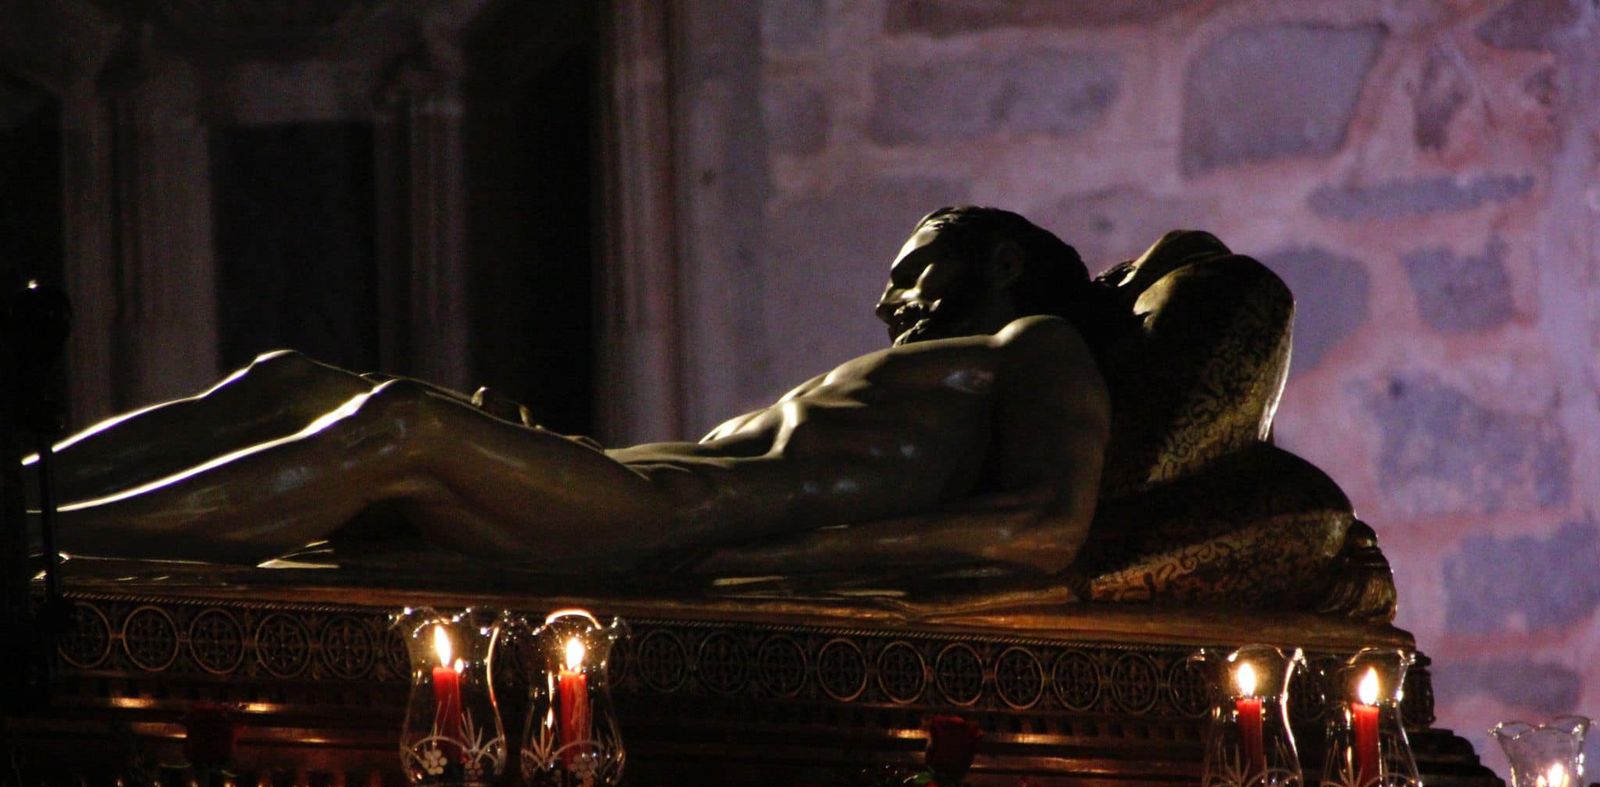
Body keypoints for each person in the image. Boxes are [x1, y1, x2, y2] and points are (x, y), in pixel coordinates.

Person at [37, 207, 1114, 577]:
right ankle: (25, 492)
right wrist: (540, 446)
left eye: (914, 262)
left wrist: (777, 561)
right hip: (620, 487)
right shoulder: (914, 378)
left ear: (1005, 259)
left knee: (403, 421)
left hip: (662, 528)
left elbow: (1043, 526)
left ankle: (40, 547)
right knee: (293, 383)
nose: (886, 299)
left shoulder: (1037, 340)